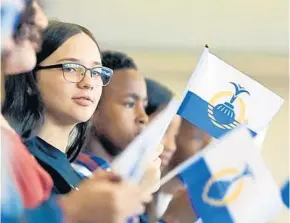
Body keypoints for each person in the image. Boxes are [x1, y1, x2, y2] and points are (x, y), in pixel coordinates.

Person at [1, 4, 151, 222]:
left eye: (97, 72)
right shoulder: (16, 155)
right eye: (71, 68)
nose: (88, 83)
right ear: (31, 78)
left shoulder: (86, 170)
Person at [76, 51, 162, 193]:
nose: (143, 117)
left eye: (144, 106)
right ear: (93, 106)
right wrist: (138, 191)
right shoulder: (78, 177)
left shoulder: (118, 175)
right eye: (129, 104)